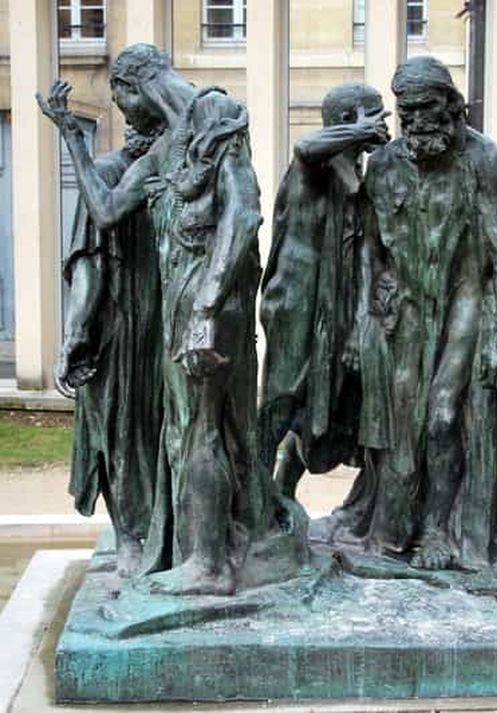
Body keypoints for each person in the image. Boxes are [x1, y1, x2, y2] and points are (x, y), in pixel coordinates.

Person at [38, 43, 266, 595]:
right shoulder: (166, 144)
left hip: (209, 304)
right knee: (186, 431)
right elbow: (107, 209)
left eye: (119, 98)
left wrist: (206, 308)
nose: (122, 111)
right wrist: (72, 136)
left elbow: (244, 211)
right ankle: (206, 551)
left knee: (198, 429)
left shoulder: (214, 113)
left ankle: (209, 565)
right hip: (187, 304)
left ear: (132, 84)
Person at [353, 56, 497, 570]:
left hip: (464, 301)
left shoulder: (483, 159)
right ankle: (394, 525)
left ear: (452, 105)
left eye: (426, 108)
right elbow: (369, 249)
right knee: (402, 425)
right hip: (403, 309)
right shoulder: (384, 164)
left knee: (444, 415)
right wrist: (364, 315)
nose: (416, 120)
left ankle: (438, 530)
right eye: (406, 111)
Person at [258, 83, 389, 511]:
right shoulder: (312, 164)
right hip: (296, 302)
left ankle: (284, 486)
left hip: (337, 302)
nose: (384, 122)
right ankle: (254, 494)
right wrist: (361, 131)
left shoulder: (356, 172)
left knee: (329, 401)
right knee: (283, 397)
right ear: (350, 119)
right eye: (375, 113)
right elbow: (306, 146)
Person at [58, 117, 163, 577]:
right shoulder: (103, 174)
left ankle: (156, 534)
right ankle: (128, 538)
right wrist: (76, 332)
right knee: (119, 433)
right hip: (118, 330)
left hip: (163, 327)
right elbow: (88, 264)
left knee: (158, 430)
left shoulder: (172, 173)